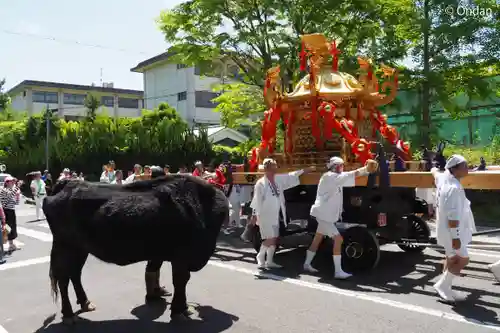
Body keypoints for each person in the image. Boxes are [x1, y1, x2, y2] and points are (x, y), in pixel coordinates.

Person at [303, 157, 378, 279]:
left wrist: (366, 171)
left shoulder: (335, 177)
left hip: (323, 214)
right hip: (324, 215)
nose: (342, 168)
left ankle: (306, 264)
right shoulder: (330, 177)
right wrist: (366, 169)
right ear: (336, 167)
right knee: (338, 240)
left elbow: (349, 176)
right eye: (341, 166)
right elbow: (351, 175)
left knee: (317, 239)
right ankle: (338, 271)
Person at [250, 158, 315, 269]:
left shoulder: (278, 179)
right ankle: (260, 256)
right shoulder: (260, 183)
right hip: (265, 214)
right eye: (274, 166)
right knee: (269, 238)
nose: (276, 168)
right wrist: (255, 216)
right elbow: (257, 200)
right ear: (268, 168)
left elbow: (291, 176)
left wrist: (305, 170)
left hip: (278, 213)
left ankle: (269, 261)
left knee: (275, 237)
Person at [433, 154, 476, 302]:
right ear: (455, 169)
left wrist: (433, 167)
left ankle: (446, 288)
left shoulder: (443, 179)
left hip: (445, 230)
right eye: (464, 165)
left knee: (451, 258)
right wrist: (456, 237)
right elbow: (452, 216)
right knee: (463, 259)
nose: (467, 167)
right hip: (452, 232)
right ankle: (442, 286)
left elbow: (436, 174)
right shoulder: (454, 188)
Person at [143, 166, 172, 303]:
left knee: (158, 261)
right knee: (153, 262)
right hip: (152, 230)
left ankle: (156, 287)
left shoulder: (157, 189)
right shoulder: (152, 190)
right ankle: (150, 293)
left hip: (160, 229)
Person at [0, 176, 21, 252]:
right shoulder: (4, 190)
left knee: (12, 227)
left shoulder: (11, 190)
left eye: (13, 181)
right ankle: (8, 244)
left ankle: (11, 244)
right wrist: (17, 188)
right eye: (11, 181)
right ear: (7, 182)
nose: (13, 183)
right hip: (6, 211)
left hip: (11, 211)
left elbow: (15, 203)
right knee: (7, 228)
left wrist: (18, 196)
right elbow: (10, 195)